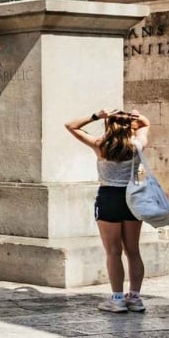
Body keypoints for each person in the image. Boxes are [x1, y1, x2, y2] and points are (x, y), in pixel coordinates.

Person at [66, 109, 151, 313]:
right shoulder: (138, 145)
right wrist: (134, 115)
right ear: (130, 125)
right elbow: (146, 124)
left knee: (113, 251)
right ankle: (136, 298)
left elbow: (71, 125)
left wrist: (97, 115)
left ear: (108, 125)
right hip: (132, 199)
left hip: (109, 197)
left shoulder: (100, 145)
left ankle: (117, 299)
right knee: (133, 250)